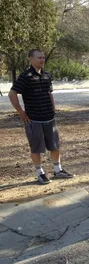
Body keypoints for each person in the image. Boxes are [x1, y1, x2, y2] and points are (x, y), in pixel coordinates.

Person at [9, 49, 74, 185]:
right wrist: (21, 111)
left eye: (43, 58)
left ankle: (58, 170)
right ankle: (40, 173)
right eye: (39, 58)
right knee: (36, 148)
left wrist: (53, 107)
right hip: (34, 119)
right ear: (30, 59)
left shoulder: (46, 75)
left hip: (49, 118)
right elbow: (12, 94)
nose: (42, 60)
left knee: (55, 145)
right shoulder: (25, 76)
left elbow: (49, 92)